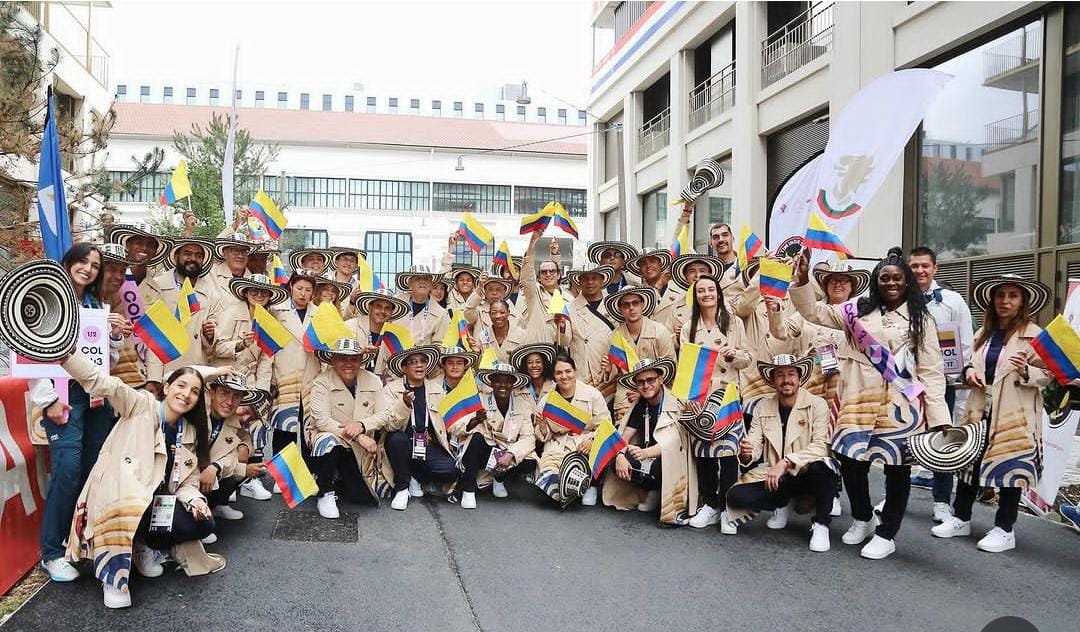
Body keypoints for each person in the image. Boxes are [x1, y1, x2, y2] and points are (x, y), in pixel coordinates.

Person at [790, 246, 949, 560]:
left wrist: (938, 415)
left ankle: (887, 533)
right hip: (857, 399)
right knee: (851, 463)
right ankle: (862, 516)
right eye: (885, 278)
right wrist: (803, 279)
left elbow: (931, 370)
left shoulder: (922, 319)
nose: (891, 283)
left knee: (897, 470)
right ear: (877, 282)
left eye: (897, 278)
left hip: (900, 404)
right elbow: (814, 313)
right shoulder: (856, 310)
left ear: (907, 283)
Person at [59, 350, 229, 608]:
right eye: (180, 386)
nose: (186, 395)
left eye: (194, 392)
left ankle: (144, 544)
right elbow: (102, 382)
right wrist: (65, 356)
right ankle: (112, 577)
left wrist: (195, 500)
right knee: (120, 596)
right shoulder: (140, 404)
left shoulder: (190, 431)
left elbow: (187, 482)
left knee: (203, 523)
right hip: (120, 495)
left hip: (156, 503)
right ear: (167, 386)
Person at [931, 274, 1052, 552]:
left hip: (1014, 412)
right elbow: (970, 363)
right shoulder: (983, 333)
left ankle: (1005, 529)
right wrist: (969, 370)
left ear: (1023, 301)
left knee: (1011, 468)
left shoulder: (1036, 336)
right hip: (979, 409)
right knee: (969, 464)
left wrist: (1026, 370)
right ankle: (961, 518)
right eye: (1000, 295)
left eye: (1012, 296)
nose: (1005, 301)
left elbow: (1048, 374)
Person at [31, 244, 127, 583]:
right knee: (68, 469)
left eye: (94, 265)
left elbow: (106, 363)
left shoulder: (95, 307)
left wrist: (113, 335)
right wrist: (47, 399)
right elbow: (29, 353)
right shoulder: (45, 300)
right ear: (69, 262)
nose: (88, 269)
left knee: (92, 470)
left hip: (96, 397)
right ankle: (51, 552)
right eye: (83, 261)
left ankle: (78, 543)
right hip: (62, 397)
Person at [726, 354, 837, 552]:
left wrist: (786, 462)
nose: (786, 380)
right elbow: (754, 441)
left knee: (825, 468)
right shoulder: (763, 406)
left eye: (791, 374)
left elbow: (822, 446)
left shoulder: (817, 404)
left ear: (800, 378)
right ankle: (783, 502)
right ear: (772, 381)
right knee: (735, 496)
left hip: (805, 472)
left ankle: (821, 524)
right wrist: (746, 453)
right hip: (775, 477)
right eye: (780, 375)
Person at [908, 245, 975, 523]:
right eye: (915, 266)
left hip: (940, 384)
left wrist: (956, 373)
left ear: (935, 268)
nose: (920, 271)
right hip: (906, 383)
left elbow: (965, 341)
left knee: (943, 440)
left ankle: (941, 500)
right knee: (903, 438)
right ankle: (893, 494)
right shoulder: (899, 300)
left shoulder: (952, 301)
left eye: (925, 266)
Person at [680, 274, 751, 533]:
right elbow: (685, 366)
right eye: (701, 291)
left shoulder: (733, 324)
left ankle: (728, 509)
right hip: (701, 397)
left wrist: (734, 355)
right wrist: (689, 400)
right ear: (696, 296)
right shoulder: (688, 327)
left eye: (711, 289)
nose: (707, 294)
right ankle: (709, 505)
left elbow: (748, 359)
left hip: (728, 395)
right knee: (705, 455)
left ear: (718, 293)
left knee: (729, 455)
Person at [604, 358, 696, 525]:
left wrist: (645, 453)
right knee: (614, 458)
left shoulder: (675, 402)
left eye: (650, 380)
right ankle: (651, 491)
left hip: (670, 458)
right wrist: (619, 456)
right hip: (647, 453)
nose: (646, 385)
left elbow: (674, 441)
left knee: (661, 464)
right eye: (640, 382)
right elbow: (624, 436)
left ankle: (664, 496)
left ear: (660, 380)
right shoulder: (641, 405)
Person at [377, 345, 462, 511]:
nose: (419, 365)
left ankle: (415, 475)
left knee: (451, 470)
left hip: (426, 444)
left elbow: (449, 422)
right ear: (404, 368)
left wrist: (467, 426)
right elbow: (388, 424)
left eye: (423, 361)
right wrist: (404, 404)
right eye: (413, 362)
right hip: (400, 442)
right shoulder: (391, 390)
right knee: (397, 439)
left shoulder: (437, 390)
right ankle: (402, 487)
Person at [306, 338, 383, 518]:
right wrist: (357, 435)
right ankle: (325, 492)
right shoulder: (321, 382)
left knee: (361, 498)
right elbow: (321, 420)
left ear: (361, 361)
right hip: (333, 439)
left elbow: (385, 414)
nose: (348, 364)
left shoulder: (373, 380)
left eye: (354, 359)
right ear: (333, 360)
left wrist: (363, 425)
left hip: (360, 449)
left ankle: (339, 476)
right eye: (342, 358)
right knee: (327, 441)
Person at [143, 238, 222, 394]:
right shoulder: (157, 286)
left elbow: (212, 343)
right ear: (176, 256)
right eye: (187, 253)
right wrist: (154, 378)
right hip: (166, 373)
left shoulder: (212, 292)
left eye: (199, 255)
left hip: (196, 372)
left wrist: (210, 334)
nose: (193, 258)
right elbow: (152, 337)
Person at [455, 363, 536, 509]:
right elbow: (456, 427)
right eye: (498, 381)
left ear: (513, 384)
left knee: (531, 461)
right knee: (476, 437)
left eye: (507, 381)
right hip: (484, 449)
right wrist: (474, 421)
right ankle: (468, 489)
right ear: (491, 383)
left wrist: (511, 454)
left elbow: (528, 438)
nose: (503, 385)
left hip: (506, 451)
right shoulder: (479, 399)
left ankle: (499, 478)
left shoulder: (522, 405)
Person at [533, 354, 610, 505]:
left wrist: (592, 440)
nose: (564, 376)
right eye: (559, 373)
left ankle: (590, 485)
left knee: (592, 454)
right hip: (557, 445)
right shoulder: (548, 400)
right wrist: (542, 427)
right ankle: (563, 487)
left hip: (584, 443)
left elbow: (606, 425)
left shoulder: (592, 394)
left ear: (575, 371)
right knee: (549, 474)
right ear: (554, 377)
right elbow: (544, 436)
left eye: (568, 371)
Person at [266, 269, 323, 474]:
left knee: (309, 426)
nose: (303, 293)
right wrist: (270, 376)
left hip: (311, 376)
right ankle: (283, 475)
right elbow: (268, 346)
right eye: (299, 288)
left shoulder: (319, 313)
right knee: (284, 428)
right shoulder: (276, 310)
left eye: (308, 290)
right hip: (284, 373)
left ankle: (310, 472)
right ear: (291, 286)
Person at [200, 374, 268, 534]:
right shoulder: (198, 415)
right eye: (224, 393)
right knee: (191, 527)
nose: (230, 401)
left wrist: (244, 447)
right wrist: (217, 467)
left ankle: (215, 507)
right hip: (185, 479)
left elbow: (244, 438)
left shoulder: (230, 417)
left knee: (240, 464)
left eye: (236, 396)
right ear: (212, 393)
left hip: (209, 471)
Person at [600, 286, 676, 422]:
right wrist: (608, 370)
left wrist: (643, 393)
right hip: (626, 396)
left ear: (642, 305)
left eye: (635, 303)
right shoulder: (614, 337)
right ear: (620, 309)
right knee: (624, 437)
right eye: (626, 305)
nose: (631, 308)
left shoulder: (660, 331)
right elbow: (615, 374)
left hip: (656, 393)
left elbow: (670, 370)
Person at [566, 262, 618, 401]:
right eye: (585, 278)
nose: (590, 282)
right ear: (579, 281)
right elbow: (564, 341)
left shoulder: (615, 306)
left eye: (594, 278)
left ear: (602, 280)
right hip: (581, 379)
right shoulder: (569, 308)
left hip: (610, 378)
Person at [97, 243, 145, 387]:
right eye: (112, 269)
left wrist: (116, 334)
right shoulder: (78, 300)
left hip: (116, 382)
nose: (118, 276)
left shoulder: (120, 298)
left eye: (123, 271)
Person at [346, 287, 410, 378]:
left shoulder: (393, 337)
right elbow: (339, 359)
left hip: (377, 388)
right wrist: (360, 353)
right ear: (370, 308)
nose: (382, 311)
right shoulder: (350, 326)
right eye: (378, 306)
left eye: (387, 308)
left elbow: (394, 371)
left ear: (392, 312)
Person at [656, 253, 722, 338]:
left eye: (702, 271)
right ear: (686, 276)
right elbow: (666, 341)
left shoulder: (723, 304)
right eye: (692, 271)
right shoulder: (676, 308)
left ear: (709, 275)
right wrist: (677, 337)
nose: (697, 275)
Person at [393, 265, 450, 346]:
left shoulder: (441, 314)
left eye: (426, 279)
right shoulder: (396, 304)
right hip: (395, 355)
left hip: (422, 357)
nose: (422, 281)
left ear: (431, 284)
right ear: (410, 284)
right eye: (418, 278)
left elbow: (440, 344)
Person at [509, 343, 557, 418]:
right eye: (530, 363)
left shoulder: (555, 388)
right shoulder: (517, 391)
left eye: (538, 362)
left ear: (544, 364)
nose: (534, 366)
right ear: (525, 366)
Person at [211, 233, 254, 312]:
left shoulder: (254, 280)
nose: (240, 256)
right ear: (224, 253)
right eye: (235, 250)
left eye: (244, 251)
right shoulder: (210, 273)